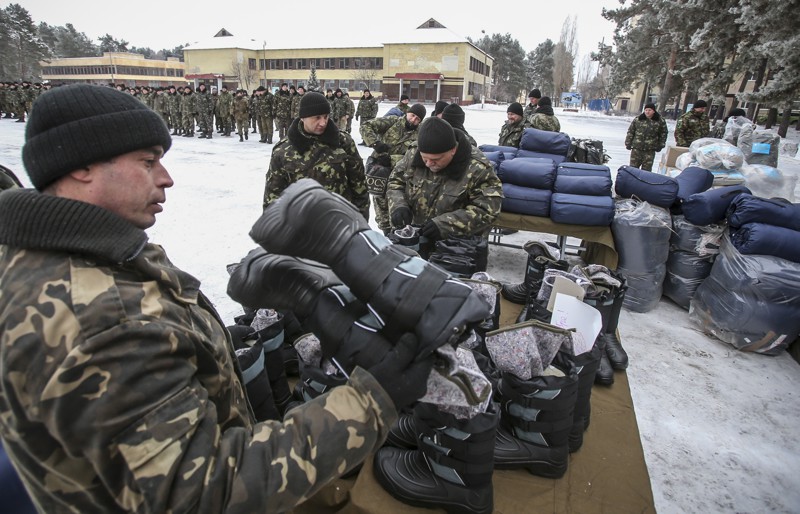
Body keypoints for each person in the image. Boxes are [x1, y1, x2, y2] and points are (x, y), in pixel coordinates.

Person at [0, 83, 431, 513]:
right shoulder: (103, 318)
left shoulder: (73, 255)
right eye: (148, 162)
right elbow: (202, 493)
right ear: (82, 167)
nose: (166, 177)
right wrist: (373, 400)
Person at [387, 117, 503, 242]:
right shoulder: (413, 153)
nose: (429, 164)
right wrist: (399, 205)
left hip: (456, 248)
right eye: (425, 158)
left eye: (436, 159)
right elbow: (395, 182)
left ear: (453, 150)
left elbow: (487, 210)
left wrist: (445, 224)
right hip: (416, 240)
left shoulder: (478, 168)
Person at [263, 91, 370, 220]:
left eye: (326, 117)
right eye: (317, 117)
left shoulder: (343, 143)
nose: (323, 123)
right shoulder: (283, 150)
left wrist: (360, 223)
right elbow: (273, 197)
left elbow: (359, 186)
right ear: (303, 117)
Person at [360, 103, 427, 232]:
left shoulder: (420, 134)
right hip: (380, 174)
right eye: (412, 116)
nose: (413, 120)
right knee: (381, 209)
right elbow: (366, 126)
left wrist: (392, 159)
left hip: (401, 178)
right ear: (407, 113)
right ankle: (386, 233)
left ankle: (396, 234)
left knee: (397, 210)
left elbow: (415, 157)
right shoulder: (392, 122)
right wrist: (375, 143)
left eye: (417, 119)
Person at [625, 102, 668, 171]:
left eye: (649, 110)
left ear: (653, 111)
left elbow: (663, 134)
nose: (647, 112)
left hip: (650, 150)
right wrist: (628, 143)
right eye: (646, 110)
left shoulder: (660, 121)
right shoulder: (638, 119)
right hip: (637, 149)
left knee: (646, 170)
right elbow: (631, 131)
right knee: (633, 169)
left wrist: (660, 145)